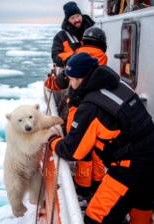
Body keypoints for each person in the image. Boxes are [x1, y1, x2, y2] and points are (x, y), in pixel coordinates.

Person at [49, 53, 154, 223]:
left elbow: (73, 150)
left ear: (80, 78)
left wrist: (52, 141)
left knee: (95, 217)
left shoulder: (91, 107)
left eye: (71, 79)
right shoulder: (119, 84)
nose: (70, 83)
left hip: (131, 168)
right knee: (141, 209)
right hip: (151, 157)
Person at [46, 27, 108, 198]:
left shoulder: (77, 59)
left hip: (80, 111)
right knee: (96, 151)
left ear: (83, 41)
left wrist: (49, 83)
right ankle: (96, 184)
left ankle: (82, 187)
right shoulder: (102, 61)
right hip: (100, 113)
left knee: (80, 150)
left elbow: (59, 82)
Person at [51, 1, 95, 69]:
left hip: (93, 71)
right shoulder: (61, 36)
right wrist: (74, 58)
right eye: (72, 18)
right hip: (73, 74)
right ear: (67, 20)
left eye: (78, 16)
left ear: (81, 15)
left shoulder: (93, 31)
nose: (77, 20)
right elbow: (56, 56)